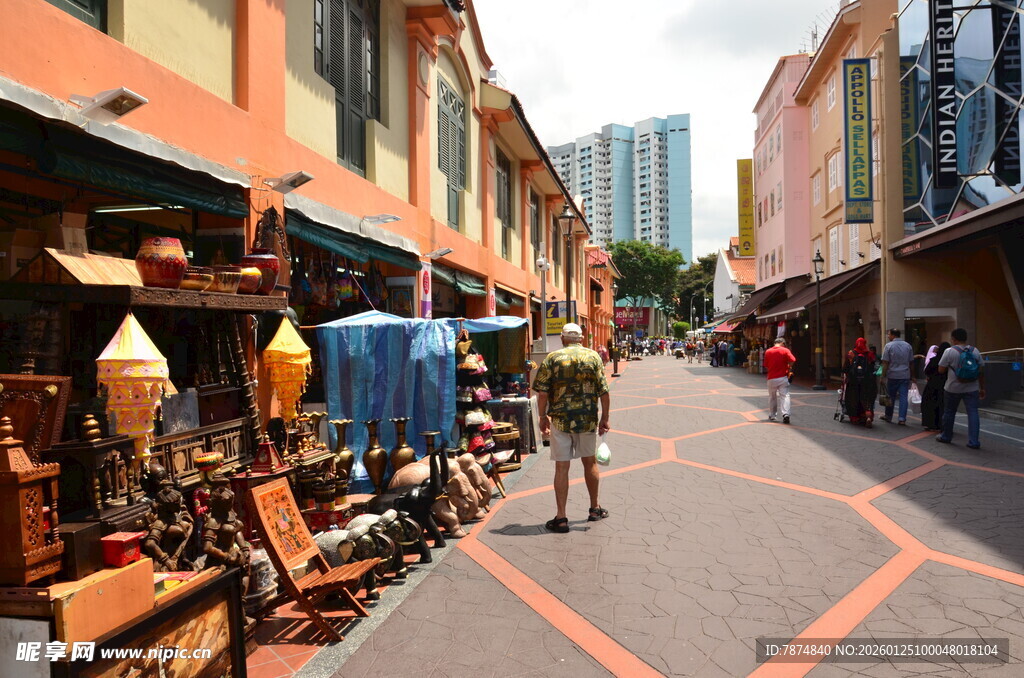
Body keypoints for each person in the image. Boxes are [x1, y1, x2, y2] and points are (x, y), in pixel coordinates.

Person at [534, 323, 612, 533]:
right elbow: (604, 392)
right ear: (581, 338)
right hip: (586, 420)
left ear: (562, 338)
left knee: (562, 467)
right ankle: (594, 508)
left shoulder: (552, 358)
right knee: (590, 462)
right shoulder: (594, 357)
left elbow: (541, 393)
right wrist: (604, 418)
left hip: (560, 420)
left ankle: (561, 518)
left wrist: (542, 417)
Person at [936, 328, 985, 449]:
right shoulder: (975, 351)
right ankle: (974, 441)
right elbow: (981, 371)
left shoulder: (949, 351)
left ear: (954, 339)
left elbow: (940, 369)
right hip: (972, 388)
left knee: (949, 412)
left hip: (953, 387)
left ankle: (946, 436)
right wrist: (982, 388)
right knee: (973, 413)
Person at [880, 328, 914, 425]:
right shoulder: (908, 346)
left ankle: (888, 416)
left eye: (889, 334)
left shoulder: (888, 346)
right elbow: (911, 362)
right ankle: (902, 418)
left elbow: (885, 363)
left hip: (893, 375)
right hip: (905, 375)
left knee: (891, 396)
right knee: (903, 397)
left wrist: (883, 376)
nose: (888, 336)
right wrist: (913, 375)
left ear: (893, 335)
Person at [842, 337, 878, 427]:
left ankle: (855, 417)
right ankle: (867, 416)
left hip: (853, 382)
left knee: (853, 399)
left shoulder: (851, 354)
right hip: (867, 382)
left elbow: (845, 368)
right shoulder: (869, 354)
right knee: (866, 399)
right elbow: (874, 367)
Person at [764, 337, 796, 424]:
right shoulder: (785, 350)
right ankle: (786, 414)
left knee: (772, 397)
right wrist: (789, 366)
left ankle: (772, 415)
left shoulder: (768, 351)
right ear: (782, 343)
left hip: (771, 378)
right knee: (785, 396)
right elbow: (793, 360)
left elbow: (766, 365)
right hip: (782, 377)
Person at [920, 341, 950, 432]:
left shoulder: (935, 360)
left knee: (929, 404)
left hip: (932, 385)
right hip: (945, 385)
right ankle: (941, 424)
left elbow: (927, 371)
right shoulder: (949, 361)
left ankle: (930, 423)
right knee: (942, 405)